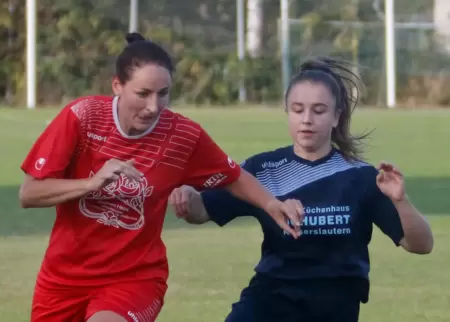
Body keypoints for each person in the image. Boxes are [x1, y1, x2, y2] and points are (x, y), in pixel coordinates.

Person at [18, 32, 302, 322]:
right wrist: (91, 183)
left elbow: (233, 176)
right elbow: (29, 193)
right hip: (63, 278)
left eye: (163, 93)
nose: (154, 106)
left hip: (134, 278)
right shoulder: (82, 117)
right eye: (143, 94)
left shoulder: (183, 136)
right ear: (117, 85)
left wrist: (271, 204)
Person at [169, 57, 434, 322]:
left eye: (318, 111)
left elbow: (421, 245)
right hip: (270, 299)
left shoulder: (361, 177)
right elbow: (202, 210)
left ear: (336, 117)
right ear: (287, 112)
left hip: (334, 306)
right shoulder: (263, 169)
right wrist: (187, 197)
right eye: (298, 110)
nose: (306, 120)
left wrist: (401, 201)